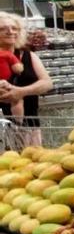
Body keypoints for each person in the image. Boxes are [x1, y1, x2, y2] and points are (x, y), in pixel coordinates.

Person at [0, 14, 52, 145]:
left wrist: (21, 91)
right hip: (3, 127)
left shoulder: (29, 56)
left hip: (31, 124)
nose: (10, 32)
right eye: (3, 29)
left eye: (14, 28)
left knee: (33, 161)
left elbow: (47, 83)